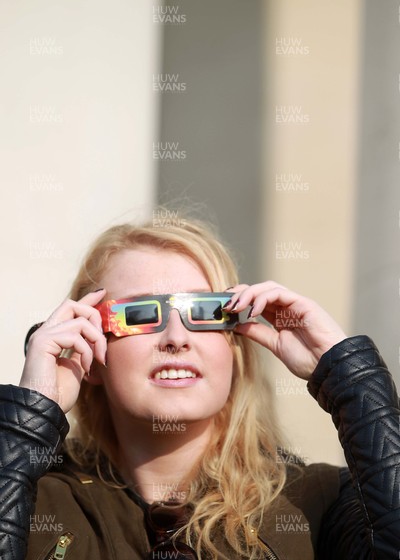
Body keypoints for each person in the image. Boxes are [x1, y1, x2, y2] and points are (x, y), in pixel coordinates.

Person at [0, 217, 398, 560]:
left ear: (235, 345)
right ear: (88, 344)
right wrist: (31, 419)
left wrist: (347, 373)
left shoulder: (316, 502)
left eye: (206, 312)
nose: (176, 337)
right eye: (140, 314)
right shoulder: (34, 496)